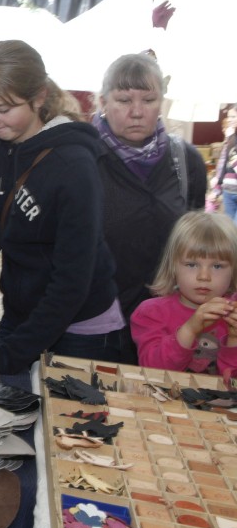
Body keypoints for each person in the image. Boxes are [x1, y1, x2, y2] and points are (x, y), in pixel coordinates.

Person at [0, 40, 125, 374]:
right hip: (23, 315)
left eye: (4, 109)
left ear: (39, 98)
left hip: (82, 327)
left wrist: (5, 355)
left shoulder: (74, 165)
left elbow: (71, 282)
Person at [94, 53, 207, 362]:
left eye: (148, 100)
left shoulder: (186, 162)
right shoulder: (83, 159)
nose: (136, 112)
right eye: (123, 100)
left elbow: (195, 243)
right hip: (95, 326)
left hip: (167, 329)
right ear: (103, 102)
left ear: (161, 102)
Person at [130, 212, 237, 375]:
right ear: (173, 267)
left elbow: (232, 383)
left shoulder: (233, 314)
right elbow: (153, 373)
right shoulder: (151, 313)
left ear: (233, 271)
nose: (204, 276)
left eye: (217, 266)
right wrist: (189, 330)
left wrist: (234, 339)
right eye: (192, 264)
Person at [211, 104, 237, 219]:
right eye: (229, 116)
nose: (230, 120)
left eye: (233, 117)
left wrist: (230, 139)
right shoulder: (230, 139)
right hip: (228, 191)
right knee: (229, 227)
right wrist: (217, 189)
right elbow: (223, 165)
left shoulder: (231, 138)